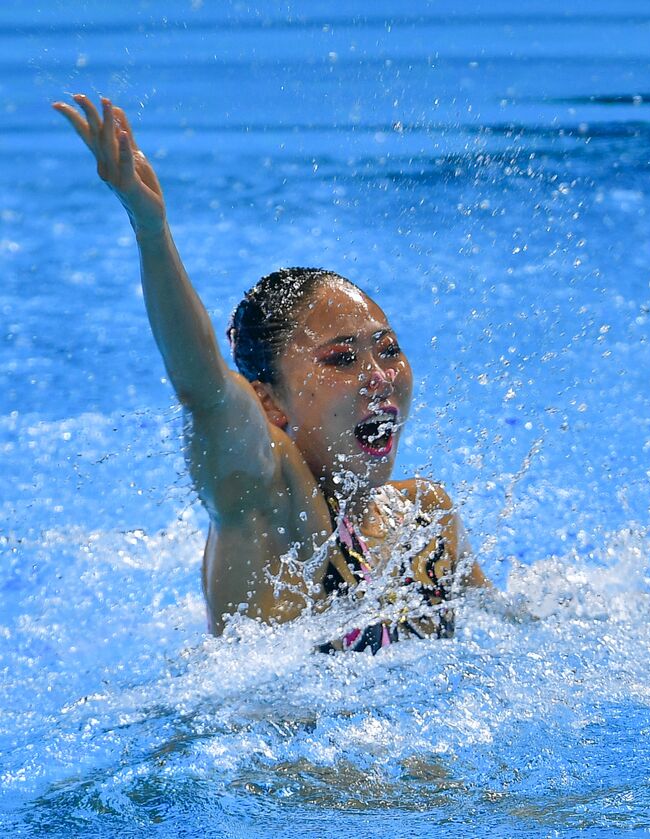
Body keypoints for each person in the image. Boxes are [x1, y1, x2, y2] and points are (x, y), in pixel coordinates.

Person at [55, 94, 488, 650]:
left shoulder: (426, 516)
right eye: (341, 359)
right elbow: (205, 390)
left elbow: (514, 637)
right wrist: (150, 227)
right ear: (268, 403)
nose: (380, 375)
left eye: (387, 348)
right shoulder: (268, 501)